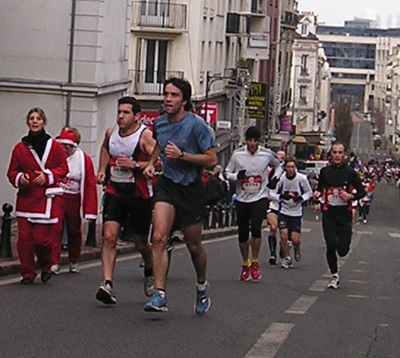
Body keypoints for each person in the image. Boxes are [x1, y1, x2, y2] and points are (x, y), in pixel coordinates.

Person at [143, 77, 217, 314]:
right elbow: (159, 145)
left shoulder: (197, 125)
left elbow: (212, 159)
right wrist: (151, 162)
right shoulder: (160, 123)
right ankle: (159, 293)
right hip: (168, 185)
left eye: (173, 95)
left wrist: (183, 155)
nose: (167, 99)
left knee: (193, 245)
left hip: (191, 188)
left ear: (184, 100)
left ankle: (202, 285)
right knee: (158, 237)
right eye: (166, 94)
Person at [95, 96, 157, 305]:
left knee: (140, 242)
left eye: (126, 113)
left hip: (139, 196)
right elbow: (105, 149)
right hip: (115, 192)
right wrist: (102, 170)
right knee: (109, 237)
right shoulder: (111, 133)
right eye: (119, 112)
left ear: (137, 116)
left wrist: (136, 165)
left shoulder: (144, 136)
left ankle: (150, 269)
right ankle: (107, 284)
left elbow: (159, 163)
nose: (120, 116)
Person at [6, 107, 68, 284]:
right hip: (26, 198)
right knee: (24, 240)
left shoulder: (54, 147)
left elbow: (63, 168)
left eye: (38, 119)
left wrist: (48, 176)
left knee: (41, 241)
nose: (34, 121)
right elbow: (11, 171)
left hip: (44, 199)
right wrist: (19, 178)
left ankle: (46, 265)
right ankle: (27, 273)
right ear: (28, 122)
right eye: (31, 118)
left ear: (44, 122)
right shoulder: (20, 148)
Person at [225, 126, 282, 281]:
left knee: (256, 228)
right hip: (242, 197)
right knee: (243, 232)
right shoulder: (237, 155)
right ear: (246, 140)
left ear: (259, 141)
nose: (252, 144)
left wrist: (274, 178)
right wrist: (237, 176)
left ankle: (255, 261)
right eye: (250, 140)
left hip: (260, 196)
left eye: (255, 141)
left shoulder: (266, 154)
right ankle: (245, 263)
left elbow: (279, 165)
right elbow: (227, 173)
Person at [314, 140, 366, 289]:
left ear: (344, 155)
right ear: (330, 154)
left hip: (344, 214)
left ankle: (342, 245)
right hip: (329, 212)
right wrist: (317, 193)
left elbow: (362, 192)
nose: (337, 155)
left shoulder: (350, 173)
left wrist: (350, 197)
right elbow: (320, 187)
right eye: (334, 152)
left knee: (342, 250)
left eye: (340, 153)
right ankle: (334, 275)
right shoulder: (325, 172)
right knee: (330, 245)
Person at [50, 127, 98, 274]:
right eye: (62, 145)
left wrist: (90, 211)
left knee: (74, 230)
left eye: (68, 146)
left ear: (74, 146)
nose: (65, 149)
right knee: (55, 227)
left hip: (75, 198)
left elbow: (90, 184)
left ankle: (74, 259)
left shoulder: (84, 160)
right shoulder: (54, 157)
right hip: (58, 195)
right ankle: (54, 262)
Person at [269, 156, 313, 269]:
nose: (290, 169)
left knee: (295, 239)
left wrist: (301, 198)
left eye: (292, 167)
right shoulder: (281, 179)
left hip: (296, 212)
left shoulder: (301, 179)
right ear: (285, 168)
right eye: (288, 167)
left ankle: (297, 247)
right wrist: (281, 196)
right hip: (284, 211)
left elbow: (309, 193)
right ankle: (287, 258)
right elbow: (270, 193)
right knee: (283, 236)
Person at [266, 150, 286, 265]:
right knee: (273, 227)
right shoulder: (269, 172)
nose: (280, 160)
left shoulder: (289, 173)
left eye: (282, 158)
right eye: (278, 157)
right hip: (273, 204)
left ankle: (283, 249)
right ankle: (272, 253)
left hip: (287, 207)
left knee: (284, 233)